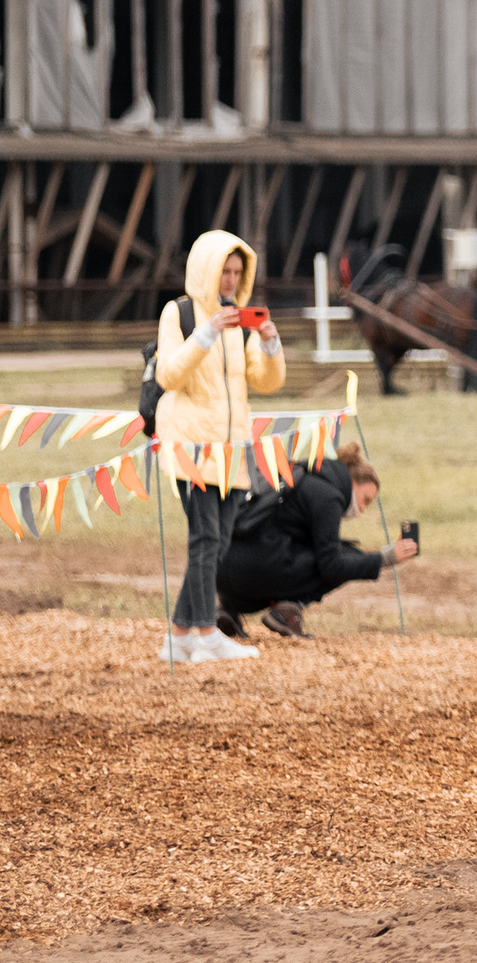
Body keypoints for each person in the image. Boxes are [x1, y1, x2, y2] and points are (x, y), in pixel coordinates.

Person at [152, 229, 287, 663]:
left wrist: (269, 343)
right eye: (224, 271)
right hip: (190, 445)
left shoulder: (238, 319)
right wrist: (205, 334)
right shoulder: (179, 313)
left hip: (231, 449)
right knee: (206, 538)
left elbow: (267, 382)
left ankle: (179, 635)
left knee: (219, 540)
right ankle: (206, 631)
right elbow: (168, 375)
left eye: (236, 272)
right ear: (206, 270)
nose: (229, 280)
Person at [215, 440, 418, 638]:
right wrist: (385, 558)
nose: (363, 510)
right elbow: (332, 565)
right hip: (253, 570)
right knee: (347, 555)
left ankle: (228, 608)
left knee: (305, 553)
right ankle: (286, 613)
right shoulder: (328, 496)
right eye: (366, 500)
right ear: (353, 481)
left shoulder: (306, 474)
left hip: (223, 570)